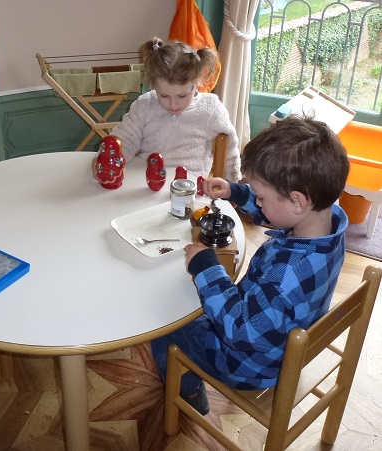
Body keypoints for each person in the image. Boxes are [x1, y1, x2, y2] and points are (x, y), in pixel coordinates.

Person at [151, 117, 350, 415]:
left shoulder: (287, 273)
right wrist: (238, 193)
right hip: (283, 340)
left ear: (297, 200)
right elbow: (278, 213)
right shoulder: (325, 222)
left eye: (261, 196)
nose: (258, 201)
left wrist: (207, 269)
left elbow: (239, 331)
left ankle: (189, 393)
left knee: (166, 323)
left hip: (247, 363)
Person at [110, 37, 241, 182]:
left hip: (188, 187)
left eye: (182, 95)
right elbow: (125, 138)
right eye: (164, 95)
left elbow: (230, 149)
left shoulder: (211, 108)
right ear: (153, 86)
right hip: (146, 181)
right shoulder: (145, 104)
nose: (173, 104)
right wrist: (108, 161)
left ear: (197, 81)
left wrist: (233, 186)